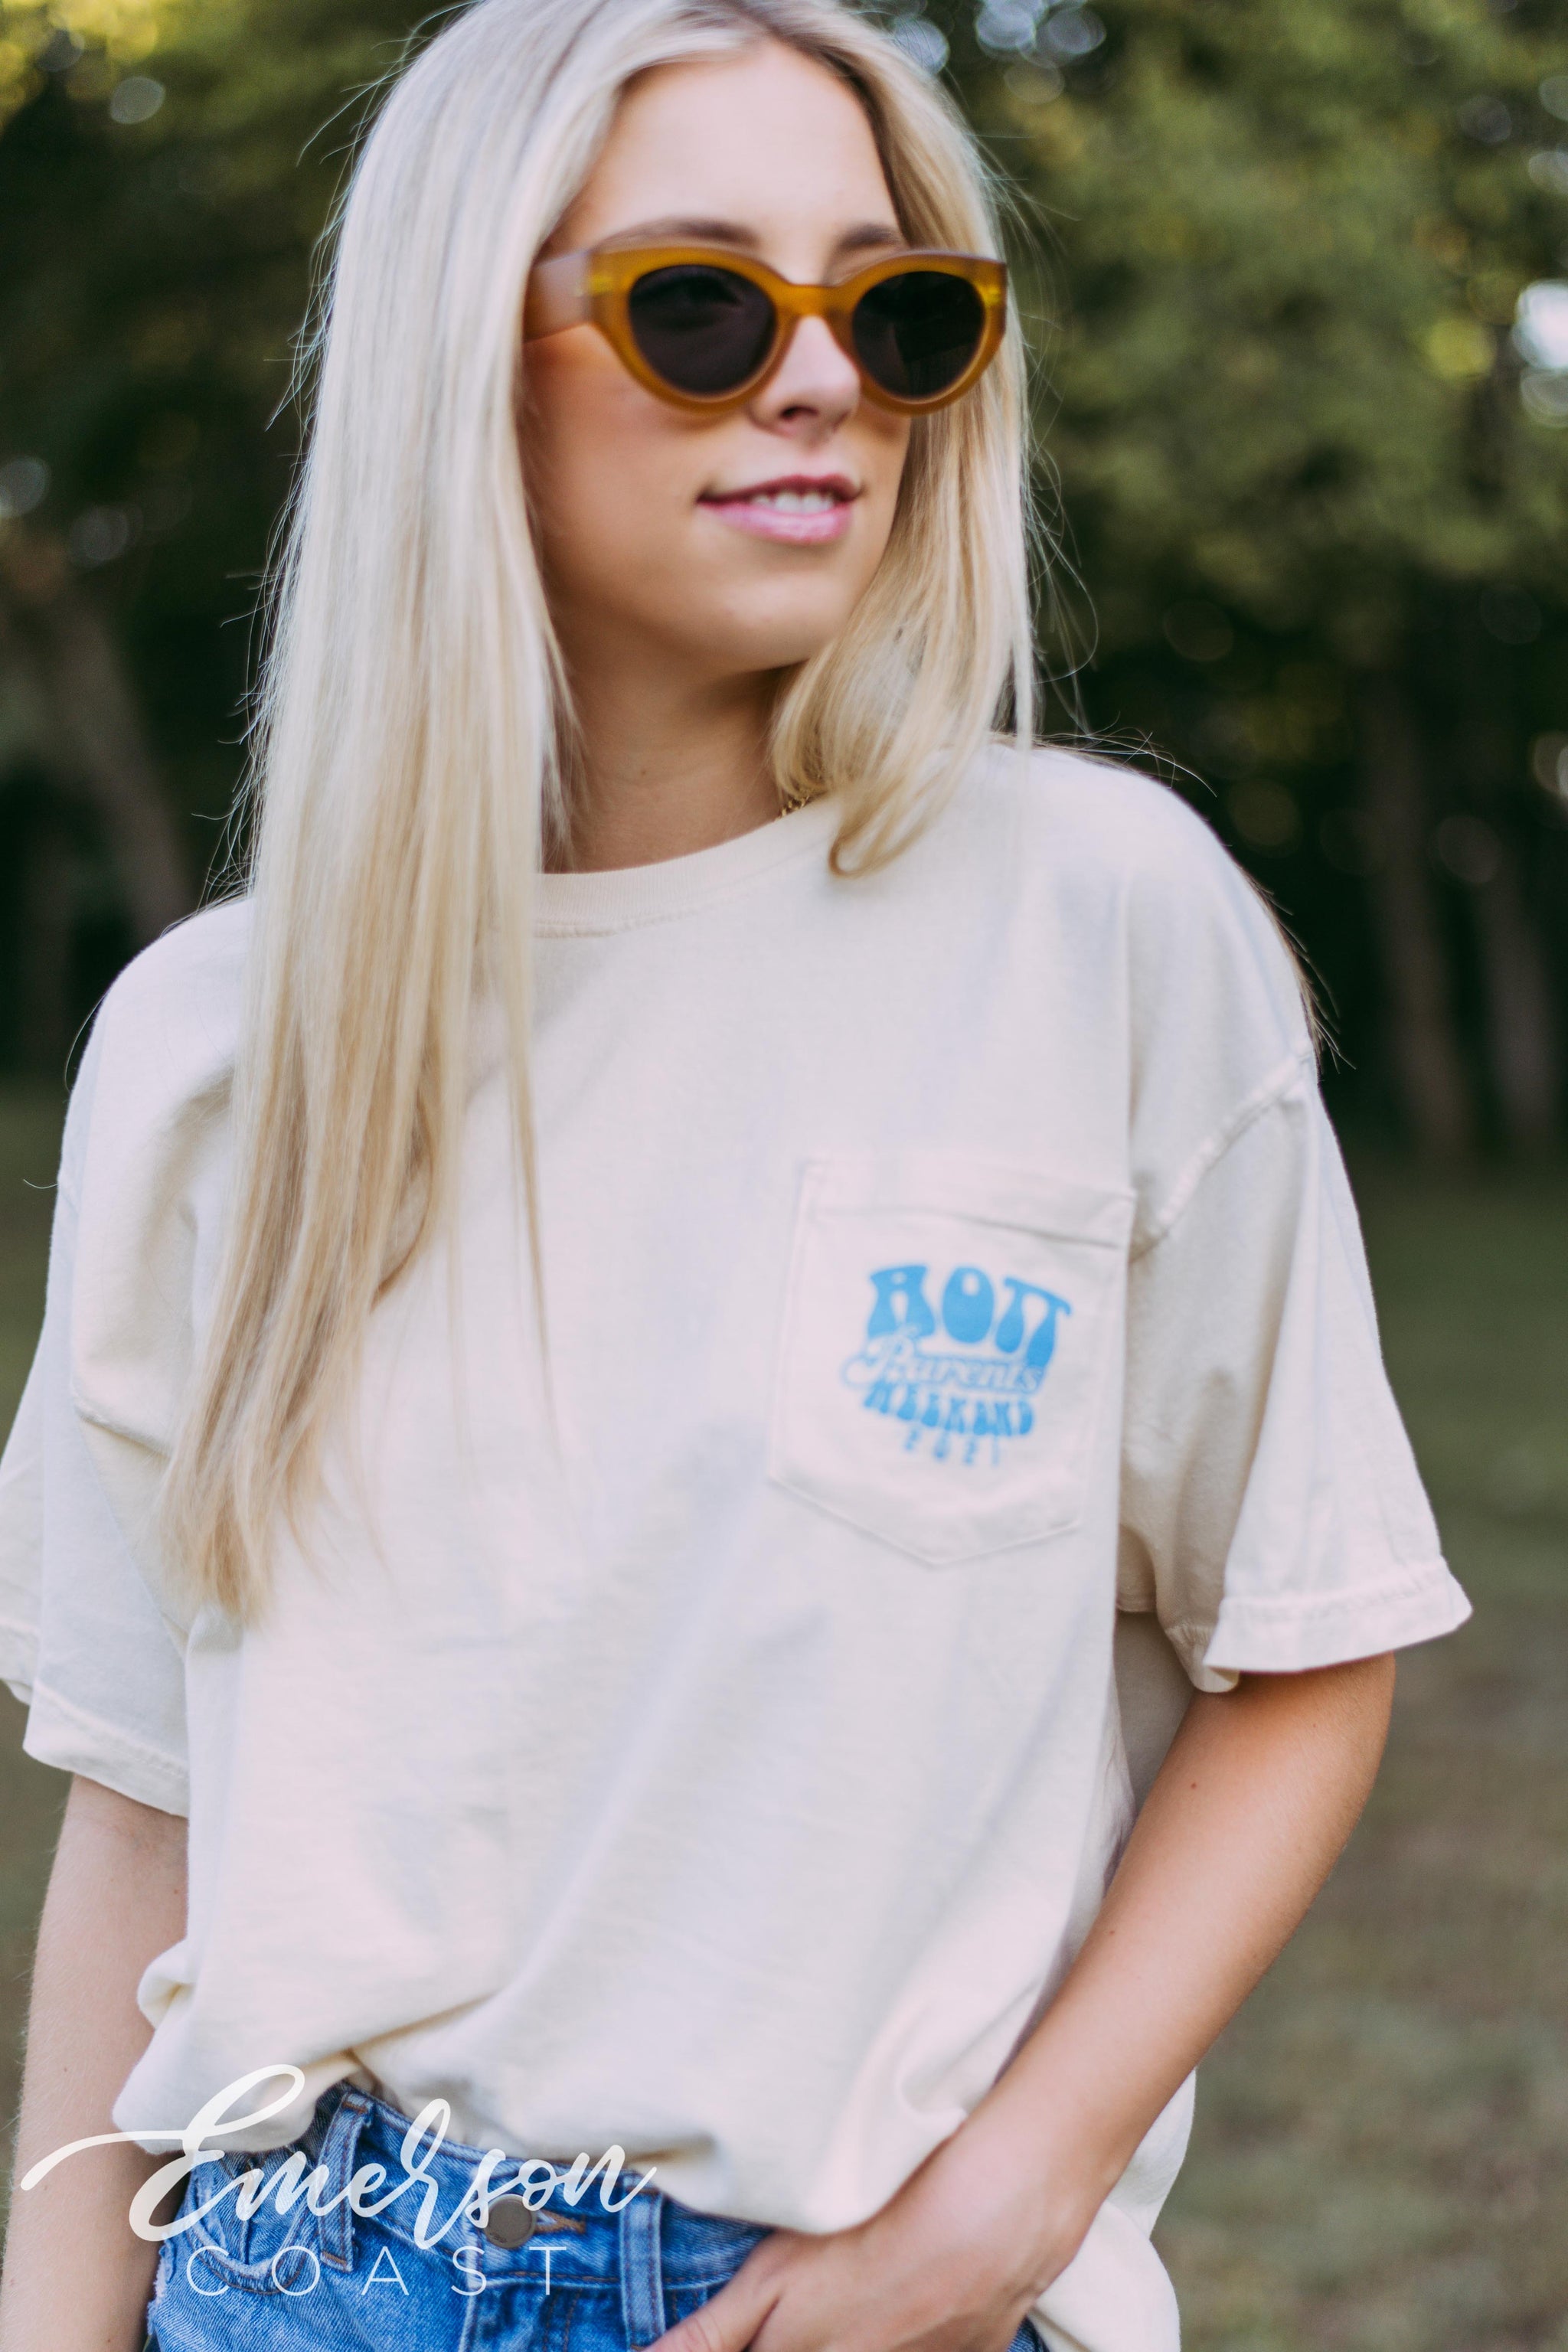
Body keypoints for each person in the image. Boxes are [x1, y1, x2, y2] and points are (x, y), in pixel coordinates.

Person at [0, 1, 1472, 2347]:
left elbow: (1306, 1641)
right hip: (284, 2278)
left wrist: (1001, 2215)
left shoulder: (1098, 924)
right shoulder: (213, 1044)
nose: (820, 386)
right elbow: (144, 1811)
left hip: (855, 2289)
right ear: (463, 363)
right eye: (700, 308)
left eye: (899, 314)